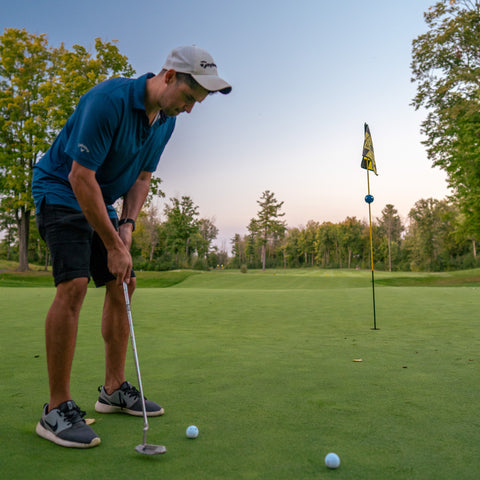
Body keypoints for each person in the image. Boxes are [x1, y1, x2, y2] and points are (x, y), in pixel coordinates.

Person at [32, 45, 231, 449]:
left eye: (198, 104)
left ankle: (113, 389)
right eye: (190, 99)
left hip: (99, 197)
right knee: (73, 285)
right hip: (61, 187)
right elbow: (79, 177)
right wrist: (111, 244)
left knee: (124, 283)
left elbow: (142, 178)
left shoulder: (166, 121)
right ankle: (55, 410)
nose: (190, 110)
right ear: (170, 76)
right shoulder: (108, 101)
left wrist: (126, 226)